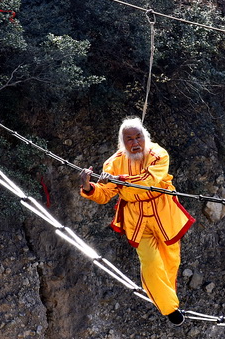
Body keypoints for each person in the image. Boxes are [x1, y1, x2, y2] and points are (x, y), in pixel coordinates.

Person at [79, 117, 195, 326]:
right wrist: (89, 187)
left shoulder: (159, 155)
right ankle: (169, 309)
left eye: (138, 137)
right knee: (150, 263)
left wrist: (120, 180)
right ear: (122, 142)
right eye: (129, 139)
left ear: (145, 137)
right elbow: (105, 194)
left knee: (171, 263)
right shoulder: (113, 163)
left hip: (163, 214)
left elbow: (150, 180)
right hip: (137, 219)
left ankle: (169, 301)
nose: (134, 143)